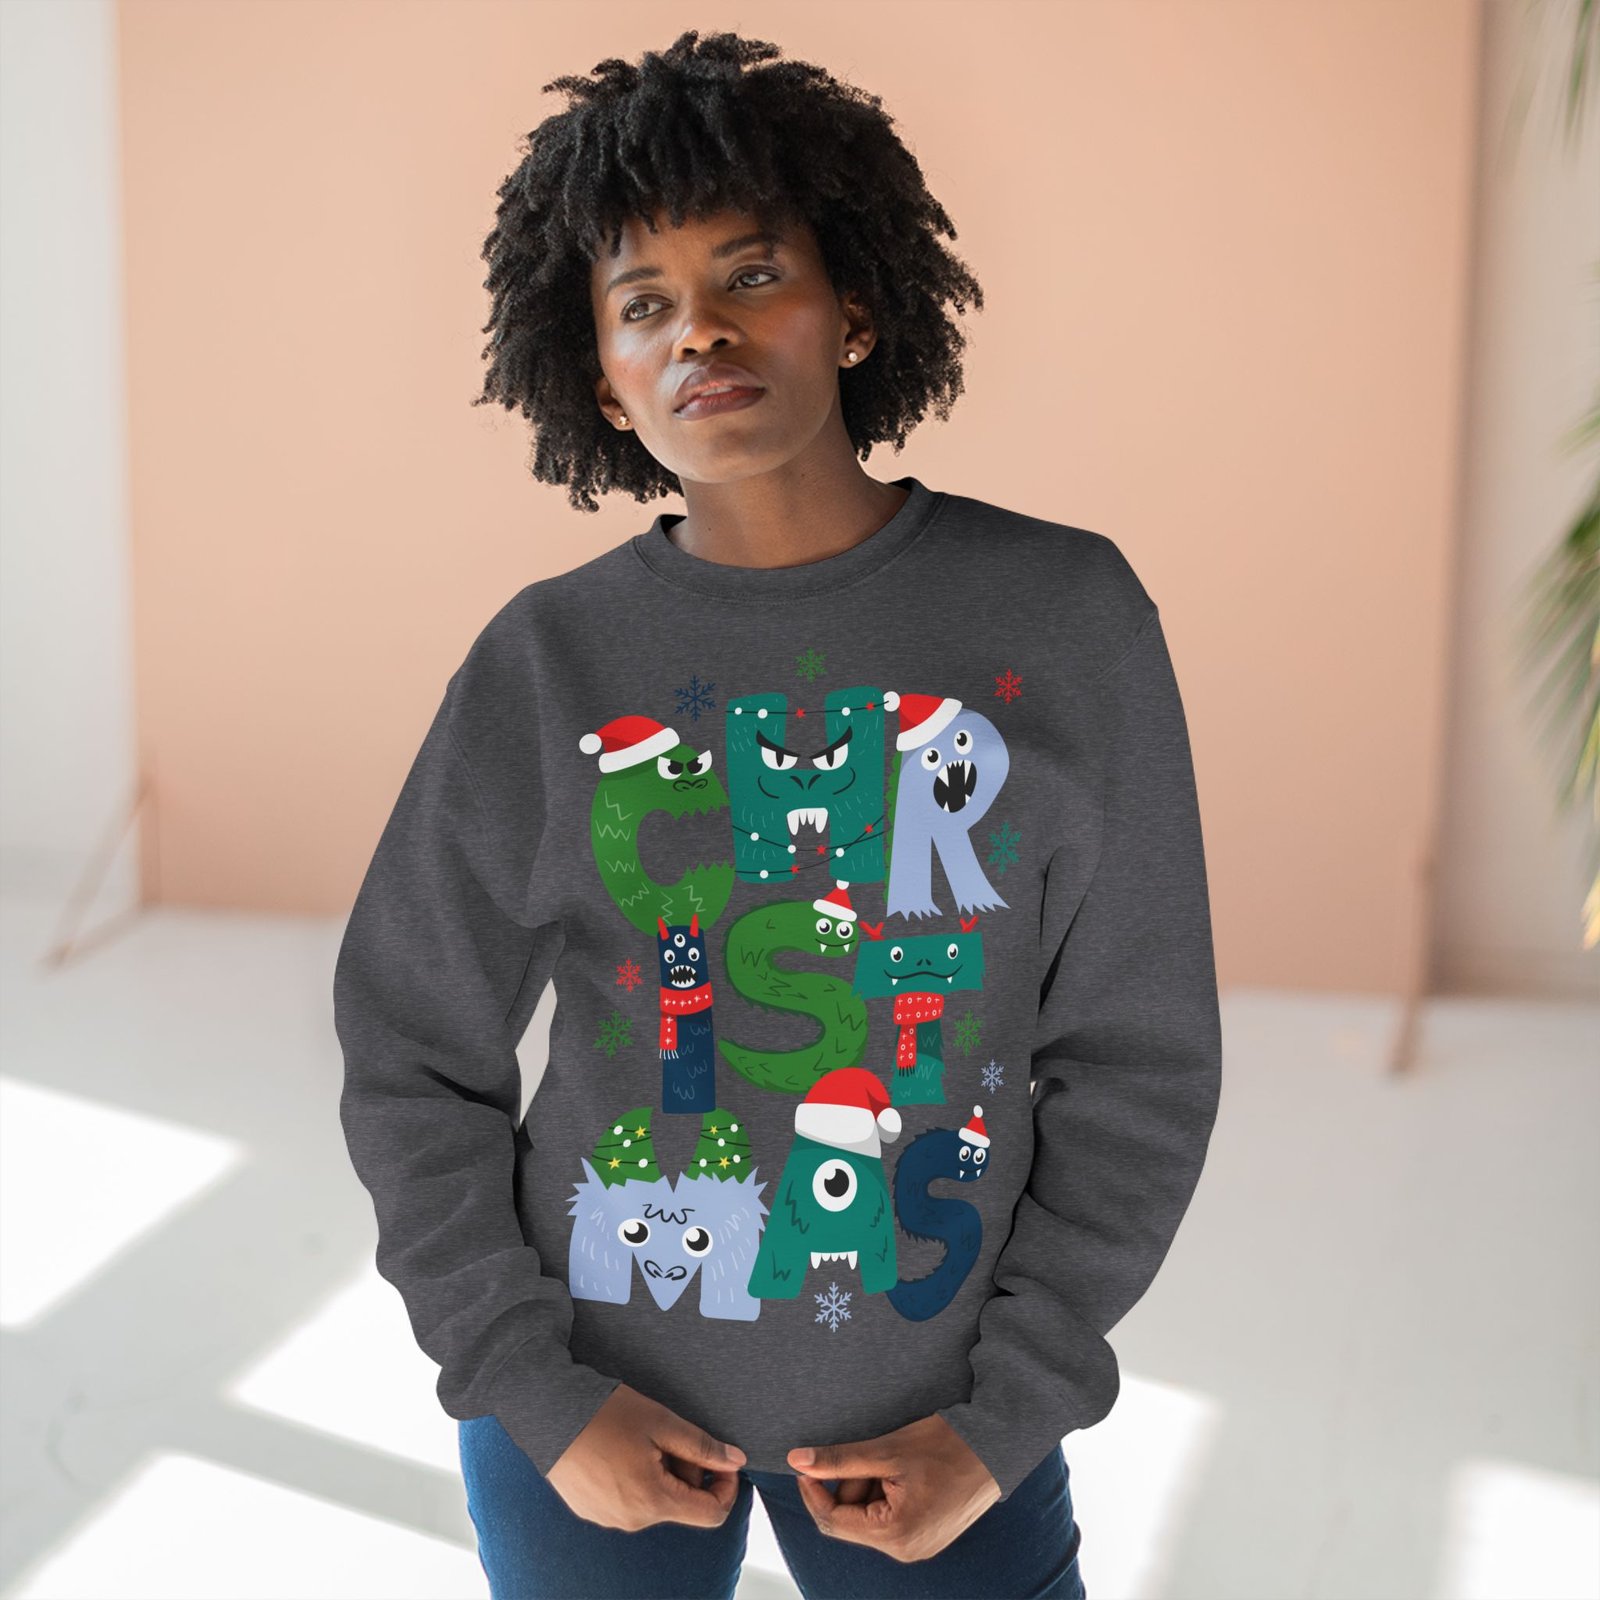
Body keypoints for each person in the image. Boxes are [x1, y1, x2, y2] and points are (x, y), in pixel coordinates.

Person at [333, 28, 1222, 1600]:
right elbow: (413, 1045)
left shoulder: (1067, 617)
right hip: (586, 1410)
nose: (701, 330)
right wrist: (533, 1389)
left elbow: (1137, 1057)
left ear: (856, 307)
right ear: (599, 379)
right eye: (643, 305)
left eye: (753, 274)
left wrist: (1007, 1415)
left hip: (942, 1418)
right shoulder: (548, 661)